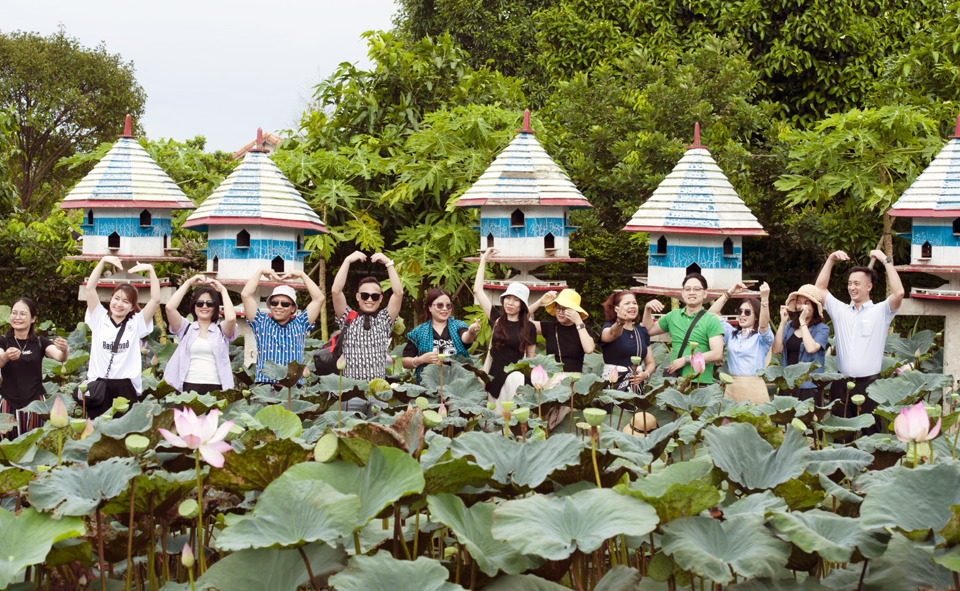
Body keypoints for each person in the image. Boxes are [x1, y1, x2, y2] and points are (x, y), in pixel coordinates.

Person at [815, 249, 904, 432]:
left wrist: (885, 260)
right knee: (842, 436)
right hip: (841, 384)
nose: (852, 287)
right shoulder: (840, 311)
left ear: (869, 287)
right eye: (849, 283)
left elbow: (899, 292)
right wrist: (831, 259)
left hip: (870, 385)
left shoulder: (881, 311)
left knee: (871, 436)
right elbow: (819, 290)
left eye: (857, 283)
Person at [83, 255, 161, 417]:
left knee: (123, 434)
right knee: (97, 434)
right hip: (99, 386)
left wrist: (151, 271)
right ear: (110, 299)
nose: (119, 304)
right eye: (116, 298)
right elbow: (90, 289)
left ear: (132, 307)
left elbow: (155, 300)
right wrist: (103, 261)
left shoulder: (136, 323)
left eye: (126, 302)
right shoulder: (99, 318)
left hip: (125, 387)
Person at [474, 249, 537, 404]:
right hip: (494, 377)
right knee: (495, 421)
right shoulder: (497, 319)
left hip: (517, 380)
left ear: (522, 305)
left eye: (516, 300)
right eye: (508, 298)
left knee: (514, 420)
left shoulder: (529, 327)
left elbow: (530, 359)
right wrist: (483, 260)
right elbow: (478, 290)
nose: (510, 303)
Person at [241, 267, 324, 386]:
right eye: (274, 303)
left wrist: (302, 275)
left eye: (285, 304)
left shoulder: (300, 324)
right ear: (270, 305)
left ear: (293, 308)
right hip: (265, 388)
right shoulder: (261, 322)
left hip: (292, 389)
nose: (279, 306)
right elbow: (246, 295)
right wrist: (260, 272)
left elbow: (319, 298)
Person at [0, 297, 69, 436]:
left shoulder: (40, 342)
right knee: (7, 446)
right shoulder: (3, 341)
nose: (17, 317)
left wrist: (64, 349)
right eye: (14, 313)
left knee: (33, 445)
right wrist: (6, 356)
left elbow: (60, 357)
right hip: (8, 402)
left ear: (33, 319)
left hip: (35, 404)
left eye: (23, 314)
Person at [331, 251, 403, 381]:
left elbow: (398, 293)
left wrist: (389, 263)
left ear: (380, 299)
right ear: (358, 297)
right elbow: (336, 292)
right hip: (352, 391)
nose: (369, 299)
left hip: (377, 391)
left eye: (374, 296)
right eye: (365, 295)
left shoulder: (385, 319)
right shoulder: (347, 316)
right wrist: (347, 260)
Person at [642, 273, 724, 383]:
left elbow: (717, 354)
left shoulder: (711, 320)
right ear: (682, 293)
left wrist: (686, 360)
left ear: (705, 293)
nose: (691, 292)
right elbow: (648, 330)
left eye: (697, 289)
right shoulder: (673, 316)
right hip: (675, 381)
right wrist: (647, 309)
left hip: (700, 381)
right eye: (687, 289)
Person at [164, 275, 238, 395]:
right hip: (187, 386)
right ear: (194, 306)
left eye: (210, 303)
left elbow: (231, 318)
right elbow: (169, 308)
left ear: (215, 308)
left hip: (216, 387)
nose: (204, 306)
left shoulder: (221, 331)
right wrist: (188, 283)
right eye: (199, 303)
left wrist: (223, 291)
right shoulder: (186, 328)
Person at [707, 282, 774, 403]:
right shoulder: (731, 334)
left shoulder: (761, 338)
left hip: (755, 388)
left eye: (747, 312)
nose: (742, 315)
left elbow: (764, 325)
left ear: (756, 316)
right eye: (740, 311)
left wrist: (764, 299)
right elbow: (711, 314)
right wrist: (730, 292)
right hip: (732, 387)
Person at [402, 288, 480, 380]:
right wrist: (421, 360)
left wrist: (471, 331)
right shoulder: (419, 332)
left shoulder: (458, 325)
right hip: (429, 383)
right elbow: (405, 362)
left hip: (458, 383)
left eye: (448, 305)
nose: (444, 309)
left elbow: (466, 338)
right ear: (429, 307)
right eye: (440, 305)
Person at [772, 284, 830, 404]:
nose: (802, 306)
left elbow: (811, 348)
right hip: (788, 383)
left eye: (807, 302)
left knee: (806, 420)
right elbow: (776, 349)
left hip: (809, 386)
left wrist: (803, 322)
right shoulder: (790, 326)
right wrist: (783, 322)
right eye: (799, 302)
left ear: (814, 306)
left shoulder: (822, 329)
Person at [528, 288, 596, 374]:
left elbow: (589, 349)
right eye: (558, 308)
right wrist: (540, 301)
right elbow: (521, 321)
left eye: (564, 309)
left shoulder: (583, 329)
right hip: (551, 378)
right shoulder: (550, 327)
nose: (560, 312)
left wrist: (578, 322)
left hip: (574, 380)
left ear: (574, 311)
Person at [599, 290, 655, 391]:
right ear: (617, 309)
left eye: (634, 303)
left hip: (636, 388)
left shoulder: (641, 331)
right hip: (612, 387)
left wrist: (645, 374)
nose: (632, 306)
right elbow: (613, 333)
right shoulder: (608, 328)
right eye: (627, 303)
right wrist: (620, 321)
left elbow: (650, 362)